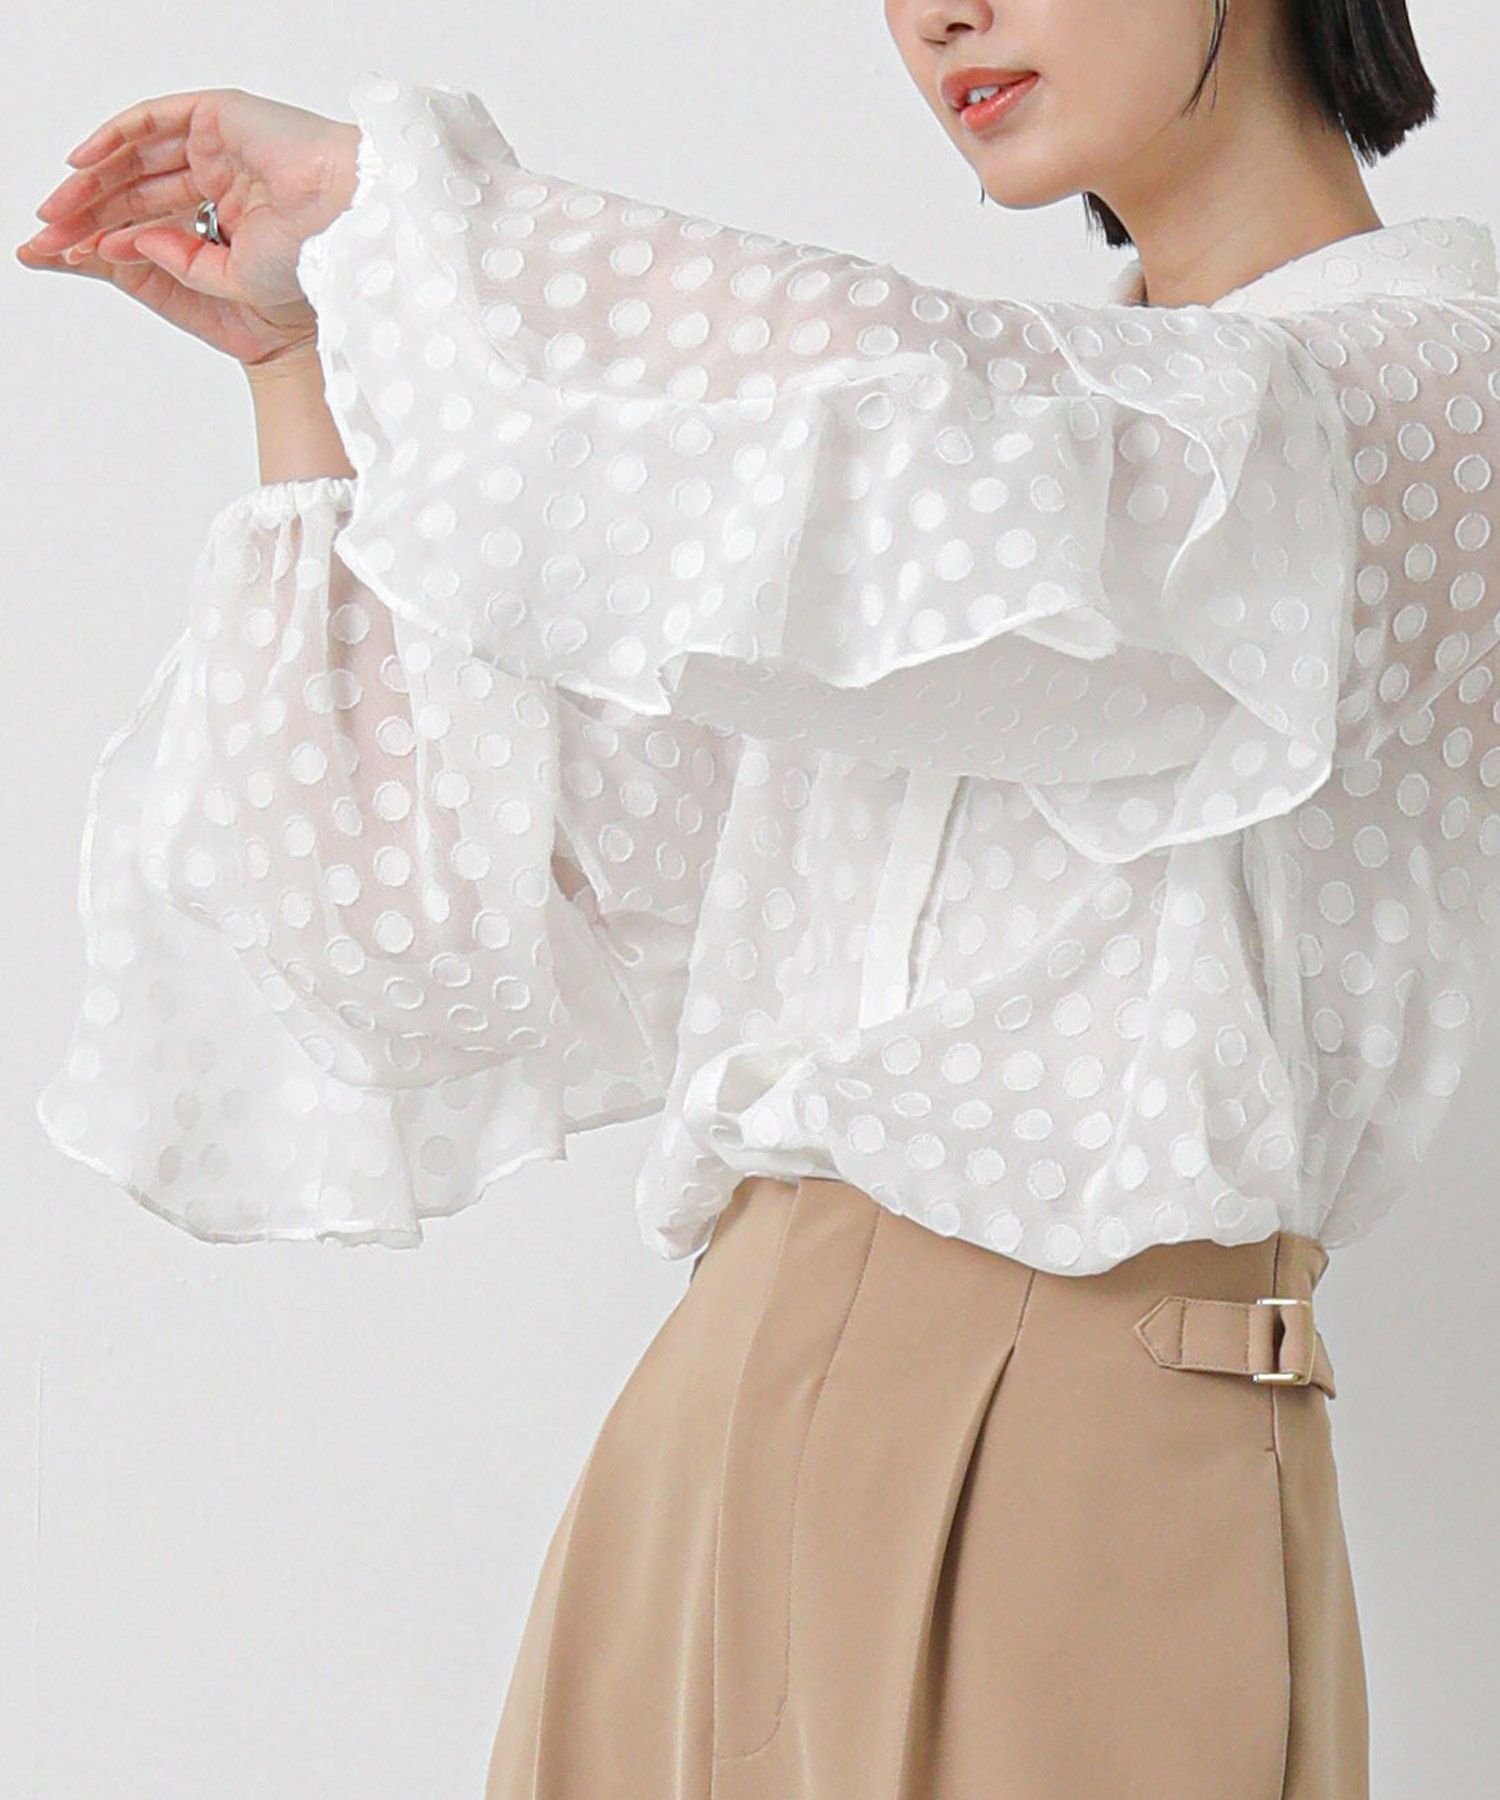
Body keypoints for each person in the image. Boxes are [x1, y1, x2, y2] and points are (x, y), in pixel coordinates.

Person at [17, 1, 1498, 1793]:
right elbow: (429, 921)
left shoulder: (1409, 393)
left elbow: (1050, 441)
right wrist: (309, 360)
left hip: (1083, 1454)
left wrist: (420, 221)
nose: (940, 14)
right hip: (706, 1446)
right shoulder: (913, 519)